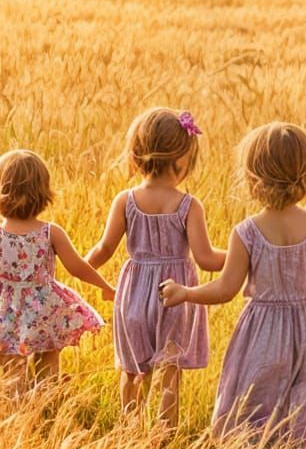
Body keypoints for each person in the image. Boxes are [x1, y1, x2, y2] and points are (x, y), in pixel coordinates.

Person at [159, 122, 306, 449]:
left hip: (263, 335)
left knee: (256, 401)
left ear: (253, 179)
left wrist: (185, 293)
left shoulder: (247, 233)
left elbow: (226, 289)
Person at [87, 107, 224, 428]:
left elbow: (103, 248)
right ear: (183, 159)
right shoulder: (189, 206)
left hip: (132, 296)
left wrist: (76, 265)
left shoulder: (126, 201)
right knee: (168, 373)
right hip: (174, 299)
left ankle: (129, 431)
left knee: (133, 370)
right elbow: (206, 258)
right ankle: (164, 437)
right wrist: (243, 256)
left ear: (138, 153)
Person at [0, 147, 112, 393]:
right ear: (43, 193)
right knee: (48, 366)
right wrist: (105, 286)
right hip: (45, 311)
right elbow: (77, 267)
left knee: (12, 372)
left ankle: (17, 413)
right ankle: (46, 411)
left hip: (5, 313)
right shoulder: (50, 232)